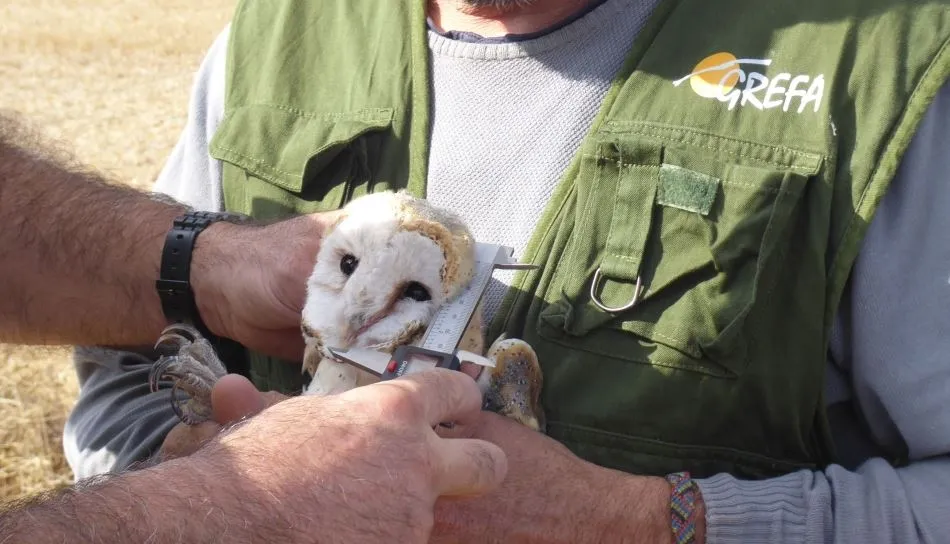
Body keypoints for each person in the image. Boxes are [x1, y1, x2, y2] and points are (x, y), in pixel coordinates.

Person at [66, 0, 950, 543]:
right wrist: (193, 491)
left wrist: (631, 523)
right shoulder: (277, 38)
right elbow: (130, 369)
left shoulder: (878, 68)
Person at [0, 113, 508, 543]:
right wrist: (229, 491)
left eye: (413, 292)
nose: (359, 312)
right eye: (348, 264)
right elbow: (127, 378)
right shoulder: (251, 50)